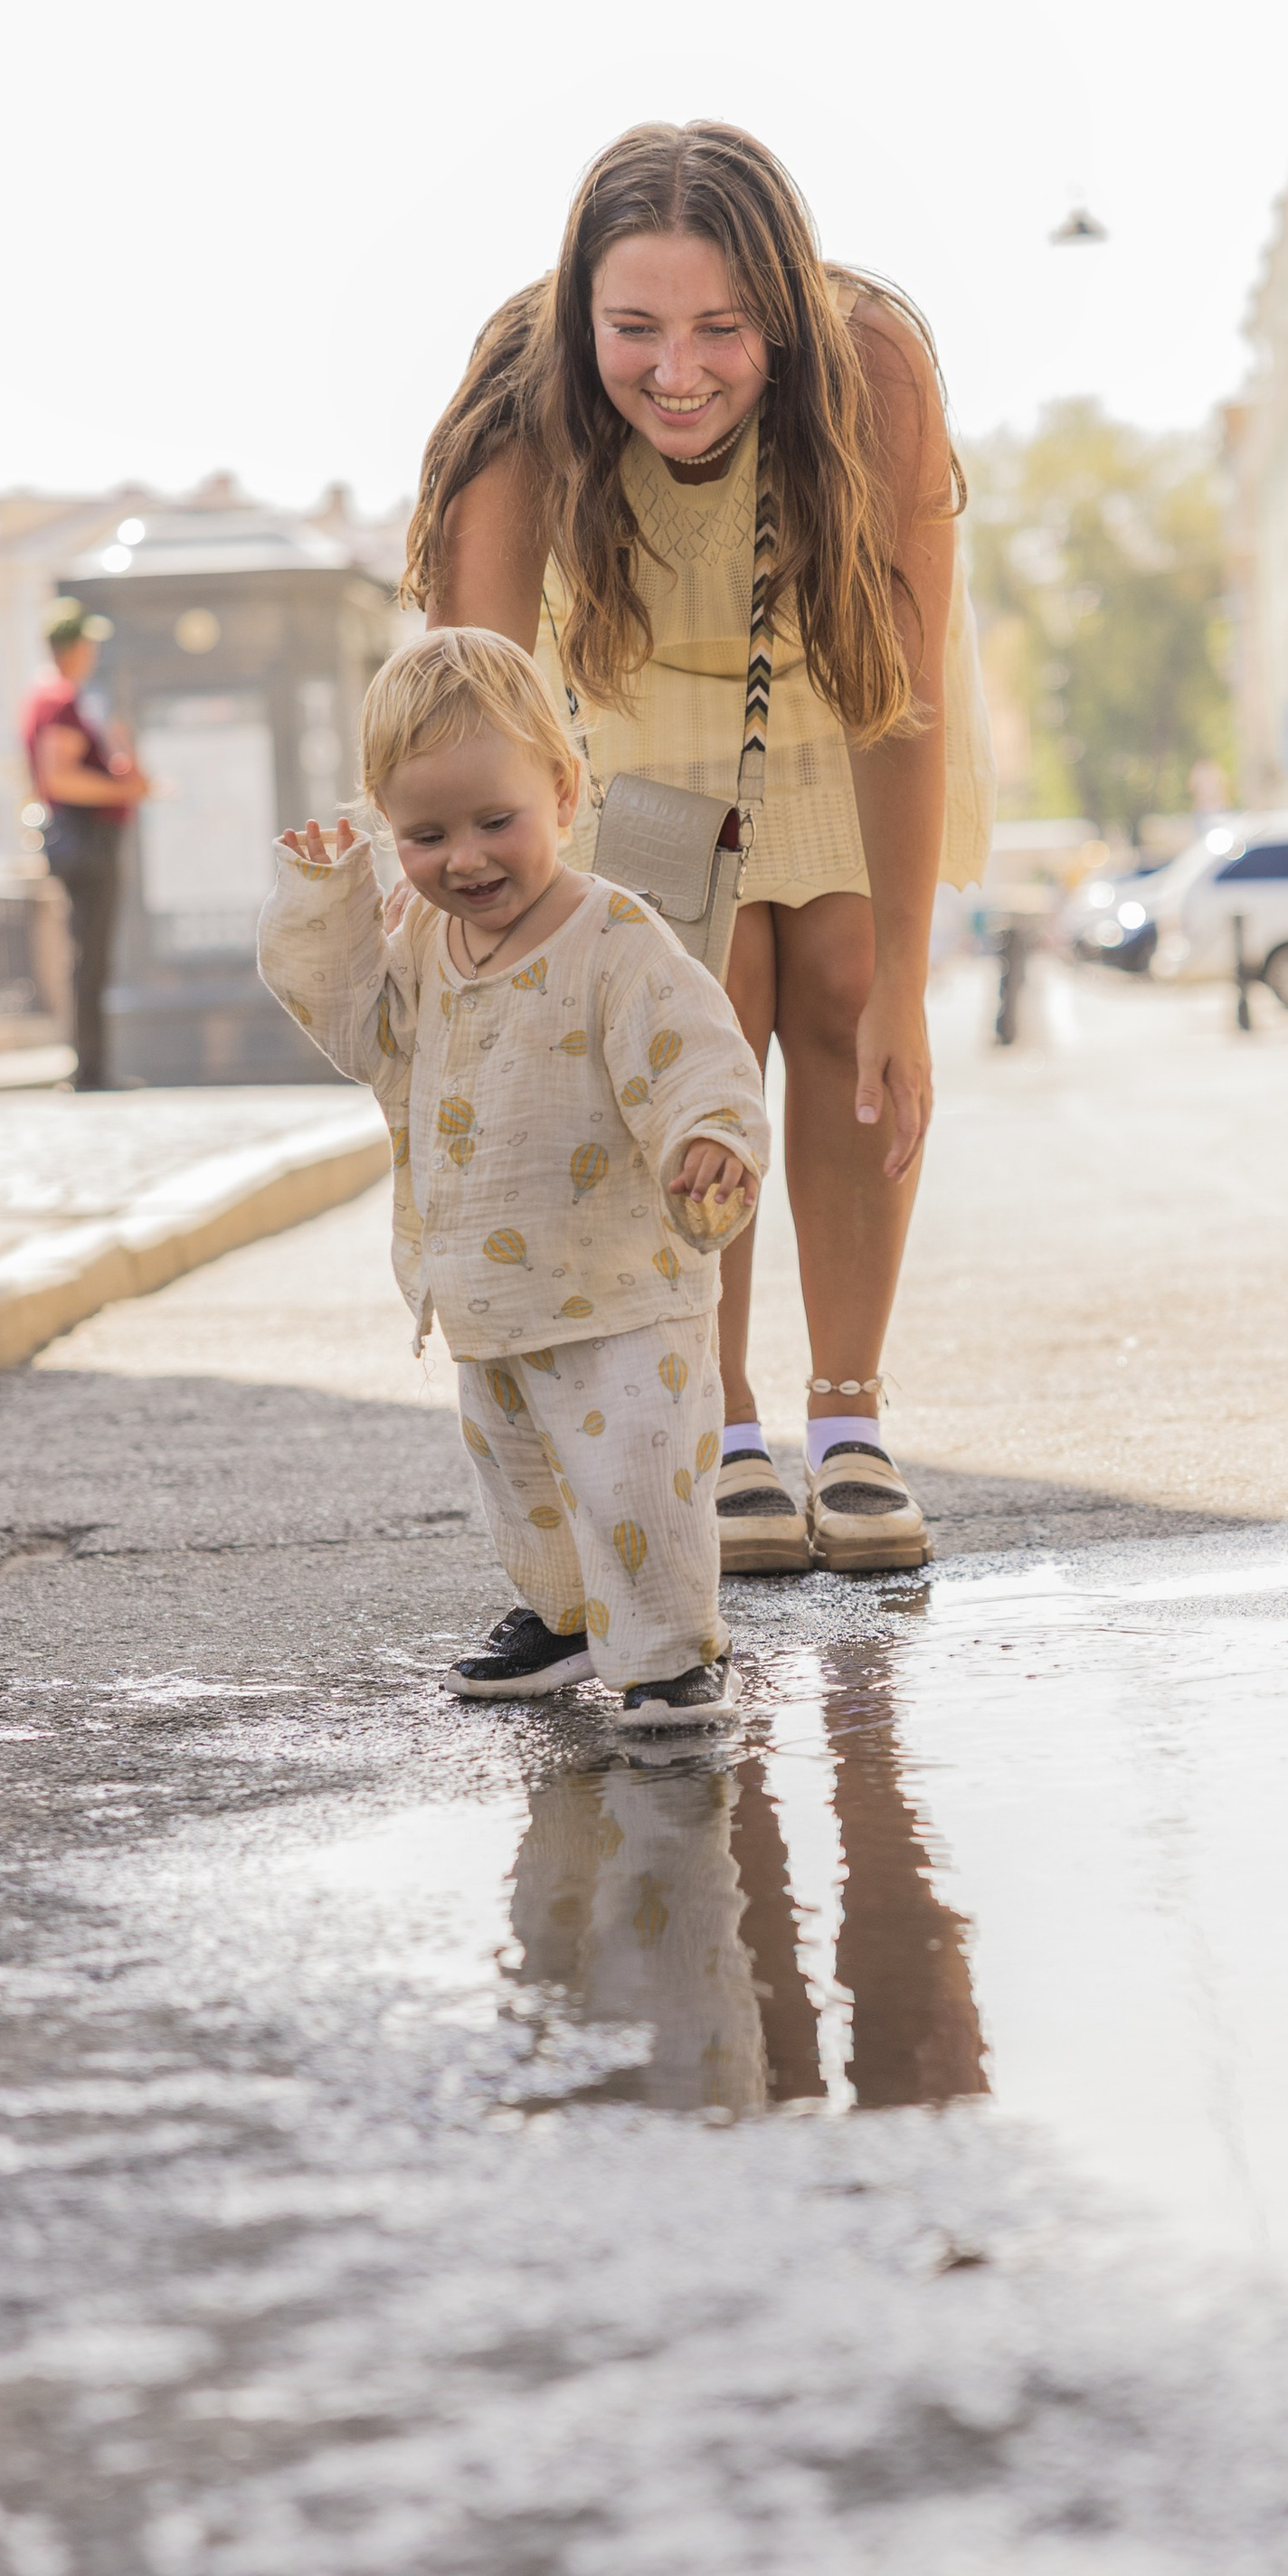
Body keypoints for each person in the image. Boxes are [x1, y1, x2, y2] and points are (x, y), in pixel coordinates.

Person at [401, 120, 992, 1577]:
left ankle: (848, 1422)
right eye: (639, 328)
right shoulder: (527, 392)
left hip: (836, 688)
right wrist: (482, 956)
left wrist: (912, 986)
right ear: (581, 309)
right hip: (633, 726)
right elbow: (472, 694)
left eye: (724, 327)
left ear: (781, 313)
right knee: (696, 1029)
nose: (679, 370)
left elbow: (899, 698)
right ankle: (719, 1430)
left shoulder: (873, 368)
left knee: (849, 1003)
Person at [260, 626, 772, 1717]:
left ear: (564, 789)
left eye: (497, 821)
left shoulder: (616, 936)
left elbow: (698, 1048)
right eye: (425, 834)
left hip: (622, 1286)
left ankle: (672, 1650)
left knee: (638, 1476)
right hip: (491, 1292)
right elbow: (361, 1031)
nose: (467, 858)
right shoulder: (418, 945)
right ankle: (568, 1617)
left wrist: (710, 1136)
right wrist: (325, 900)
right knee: (523, 1479)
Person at [20, 601, 147, 1094]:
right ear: (74, 648)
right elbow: (60, 777)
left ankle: (91, 1066)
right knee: (90, 956)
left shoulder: (56, 698)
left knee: (90, 954)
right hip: (86, 839)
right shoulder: (60, 700)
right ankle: (89, 1070)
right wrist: (124, 792)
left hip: (81, 838)